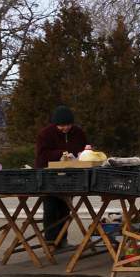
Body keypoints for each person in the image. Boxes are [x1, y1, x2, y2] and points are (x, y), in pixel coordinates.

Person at [35, 105, 87, 248]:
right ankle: (51, 241)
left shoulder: (78, 133)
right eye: (61, 125)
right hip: (49, 177)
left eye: (68, 125)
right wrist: (62, 154)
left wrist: (86, 153)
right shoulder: (45, 134)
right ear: (55, 124)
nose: (65, 128)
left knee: (65, 208)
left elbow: (83, 151)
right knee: (51, 207)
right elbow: (41, 156)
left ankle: (62, 240)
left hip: (70, 177)